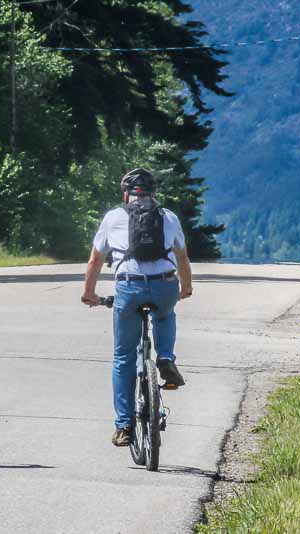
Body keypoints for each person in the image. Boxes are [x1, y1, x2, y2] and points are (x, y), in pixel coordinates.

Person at [81, 168, 193, 447]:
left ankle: (124, 427)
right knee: (166, 314)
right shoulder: (168, 217)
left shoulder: (113, 217)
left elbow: (96, 260)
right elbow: (182, 256)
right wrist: (185, 288)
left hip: (129, 287)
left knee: (123, 358)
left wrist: (89, 292)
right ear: (154, 194)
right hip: (164, 284)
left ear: (125, 194)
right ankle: (165, 358)